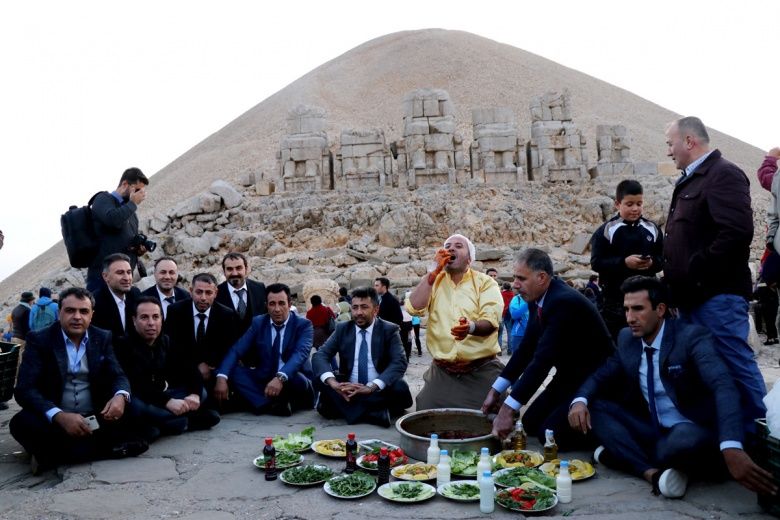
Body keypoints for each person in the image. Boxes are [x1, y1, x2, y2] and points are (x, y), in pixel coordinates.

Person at [568, 276, 776, 498]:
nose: (630, 318)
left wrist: (731, 445)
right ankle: (651, 473)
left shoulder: (691, 337)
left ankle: (618, 456)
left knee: (679, 441)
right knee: (595, 408)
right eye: (627, 309)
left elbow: (722, 385)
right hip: (653, 429)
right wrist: (580, 400)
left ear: (660, 309)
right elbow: (602, 375)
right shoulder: (628, 339)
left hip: (692, 430)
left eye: (638, 309)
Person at [663, 116, 765, 433]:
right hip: (692, 298)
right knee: (702, 371)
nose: (669, 152)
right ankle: (727, 438)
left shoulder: (723, 174)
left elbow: (736, 232)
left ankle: (765, 437)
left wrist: (695, 268)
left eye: (671, 144)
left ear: (690, 141)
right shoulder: (691, 179)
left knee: (734, 365)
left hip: (716, 296)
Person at [482, 248, 613, 449]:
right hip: (569, 376)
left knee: (549, 436)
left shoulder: (563, 302)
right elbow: (526, 350)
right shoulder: (539, 298)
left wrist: (507, 410)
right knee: (530, 423)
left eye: (521, 279)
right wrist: (496, 390)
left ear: (541, 277)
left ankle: (609, 430)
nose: (515, 285)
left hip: (594, 379)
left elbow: (542, 361)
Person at [9, 287, 147, 474]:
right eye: (70, 310)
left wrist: (120, 396)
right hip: (55, 420)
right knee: (20, 423)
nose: (77, 317)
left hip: (95, 415)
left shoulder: (102, 337)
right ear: (59, 313)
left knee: (136, 410)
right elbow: (25, 389)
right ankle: (106, 450)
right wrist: (59, 415)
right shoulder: (40, 340)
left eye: (83, 311)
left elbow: (118, 375)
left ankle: (51, 455)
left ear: (92, 315)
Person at [406, 234, 504, 410]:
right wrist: (432, 273)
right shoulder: (434, 281)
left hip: (481, 368)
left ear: (469, 259)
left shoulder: (486, 283)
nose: (451, 249)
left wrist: (471, 327)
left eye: (459, 246)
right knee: (425, 415)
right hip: (443, 371)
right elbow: (414, 308)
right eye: (448, 246)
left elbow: (490, 320)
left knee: (496, 419)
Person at [116, 296, 219, 436]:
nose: (151, 323)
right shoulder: (123, 345)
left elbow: (190, 368)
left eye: (155, 317)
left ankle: (167, 423)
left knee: (202, 393)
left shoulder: (166, 340)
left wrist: (194, 394)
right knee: (136, 407)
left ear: (162, 319)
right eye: (144, 317)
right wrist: (168, 402)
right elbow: (137, 384)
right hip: (145, 397)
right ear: (134, 320)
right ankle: (185, 422)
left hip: (166, 392)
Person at [312, 287, 413, 427]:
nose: (358, 312)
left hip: (378, 389)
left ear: (376, 310)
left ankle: (349, 412)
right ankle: (374, 413)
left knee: (400, 387)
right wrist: (334, 384)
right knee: (320, 379)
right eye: (355, 307)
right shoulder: (342, 329)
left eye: (364, 307)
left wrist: (372, 387)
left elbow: (399, 362)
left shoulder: (389, 330)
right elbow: (320, 355)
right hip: (349, 389)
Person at [214, 283, 315, 416]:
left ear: (289, 304)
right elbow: (237, 350)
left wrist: (281, 378)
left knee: (297, 378)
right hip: (265, 377)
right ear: (266, 305)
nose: (277, 309)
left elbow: (300, 355)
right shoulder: (258, 322)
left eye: (281, 303)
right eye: (272, 304)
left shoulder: (303, 325)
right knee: (232, 371)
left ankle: (266, 401)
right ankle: (266, 404)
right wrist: (221, 377)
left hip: (293, 378)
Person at [591, 179, 663, 340]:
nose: (635, 209)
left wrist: (652, 263)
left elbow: (662, 259)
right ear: (618, 204)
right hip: (615, 303)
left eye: (639, 203)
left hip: (648, 301)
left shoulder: (652, 229)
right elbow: (596, 262)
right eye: (629, 204)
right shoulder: (606, 231)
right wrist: (624, 262)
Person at [164, 273, 239, 400]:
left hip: (213, 370)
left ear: (215, 293)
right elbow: (173, 348)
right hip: (184, 370)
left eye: (208, 293)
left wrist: (212, 368)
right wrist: (196, 366)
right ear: (191, 291)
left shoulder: (226, 314)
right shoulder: (175, 311)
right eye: (199, 292)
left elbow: (227, 349)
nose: (203, 298)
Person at [85, 167, 149, 293]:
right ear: (125, 184)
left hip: (124, 281)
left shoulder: (131, 213)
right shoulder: (103, 199)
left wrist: (138, 250)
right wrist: (133, 204)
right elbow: (113, 220)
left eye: (142, 191)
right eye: (137, 190)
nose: (140, 195)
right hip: (102, 279)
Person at [216, 252, 267, 366]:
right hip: (229, 361)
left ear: (247, 269)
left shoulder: (260, 288)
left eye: (239, 268)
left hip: (259, 359)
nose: (234, 273)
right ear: (224, 271)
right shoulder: (216, 294)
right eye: (229, 269)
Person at [91, 253, 141, 343]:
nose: (127, 278)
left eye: (129, 272)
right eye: (120, 273)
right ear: (105, 276)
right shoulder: (94, 302)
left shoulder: (135, 294)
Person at [500, 281, 515, 354]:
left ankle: (499, 350)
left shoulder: (501, 294)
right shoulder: (513, 294)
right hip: (509, 315)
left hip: (501, 314)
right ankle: (510, 350)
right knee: (509, 332)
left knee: (500, 333)